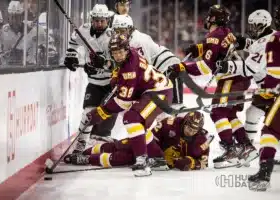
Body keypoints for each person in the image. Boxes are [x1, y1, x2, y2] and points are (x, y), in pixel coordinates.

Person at [66, 33, 173, 177]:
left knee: (132, 118)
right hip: (155, 91)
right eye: (115, 53)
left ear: (127, 50)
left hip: (160, 93)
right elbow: (119, 68)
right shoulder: (130, 54)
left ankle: (142, 161)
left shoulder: (129, 69)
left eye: (120, 52)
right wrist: (116, 75)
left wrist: (99, 114)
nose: (117, 56)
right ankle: (158, 159)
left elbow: (122, 103)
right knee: (140, 126)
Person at [170, 5, 256, 168]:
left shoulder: (214, 36)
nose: (207, 19)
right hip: (240, 77)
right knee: (229, 115)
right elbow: (218, 48)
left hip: (230, 78)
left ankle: (231, 149)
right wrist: (198, 48)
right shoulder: (226, 32)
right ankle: (246, 147)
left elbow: (206, 67)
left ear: (214, 19)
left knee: (217, 112)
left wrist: (183, 67)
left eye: (209, 16)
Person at [69, 112, 211, 172]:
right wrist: (158, 155)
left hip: (155, 162)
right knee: (122, 145)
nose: (191, 131)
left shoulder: (203, 139)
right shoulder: (169, 123)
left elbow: (204, 161)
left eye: (195, 129)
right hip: (153, 151)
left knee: (125, 157)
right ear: (184, 122)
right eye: (189, 127)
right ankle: (86, 151)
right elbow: (149, 137)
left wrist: (192, 163)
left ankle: (87, 159)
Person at [216, 9, 276, 143]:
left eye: (254, 25)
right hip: (269, 87)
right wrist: (244, 43)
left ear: (263, 24)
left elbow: (249, 68)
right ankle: (248, 145)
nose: (251, 28)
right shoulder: (270, 36)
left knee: (272, 122)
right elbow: (257, 46)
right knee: (252, 113)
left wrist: (227, 66)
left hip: (274, 89)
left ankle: (258, 148)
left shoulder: (266, 43)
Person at [63, 4, 118, 148]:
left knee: (106, 116)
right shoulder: (84, 31)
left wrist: (105, 64)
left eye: (102, 21)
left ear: (107, 20)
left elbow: (120, 62)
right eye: (96, 20)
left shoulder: (113, 37)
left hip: (111, 85)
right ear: (91, 19)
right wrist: (71, 56)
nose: (99, 24)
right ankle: (80, 146)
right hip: (94, 83)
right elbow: (73, 43)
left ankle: (101, 142)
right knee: (88, 114)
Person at [112, 15, 183, 105]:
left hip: (168, 66)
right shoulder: (125, 42)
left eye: (122, 30)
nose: (119, 34)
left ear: (130, 29)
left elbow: (144, 66)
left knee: (173, 104)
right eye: (116, 31)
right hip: (158, 69)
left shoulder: (138, 41)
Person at [248, 6, 280, 192]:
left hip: (273, 90)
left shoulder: (275, 39)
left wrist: (268, 88)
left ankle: (264, 174)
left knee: (270, 130)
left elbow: (274, 75)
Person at [0, 1, 52, 66]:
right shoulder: (2, 31)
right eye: (11, 17)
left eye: (17, 17)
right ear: (8, 16)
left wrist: (43, 51)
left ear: (22, 16)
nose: (14, 20)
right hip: (8, 71)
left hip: (30, 70)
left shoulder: (36, 29)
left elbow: (50, 47)